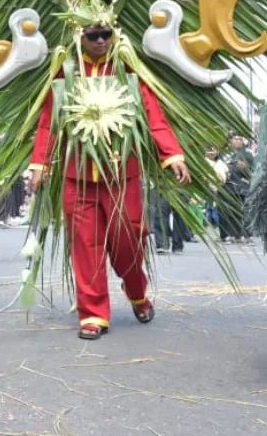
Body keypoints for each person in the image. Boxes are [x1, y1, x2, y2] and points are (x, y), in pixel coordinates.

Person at [27, 23, 190, 340]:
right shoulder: (66, 72)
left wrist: (173, 155)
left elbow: (152, 113)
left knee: (129, 241)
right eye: (93, 36)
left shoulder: (127, 70)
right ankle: (93, 314)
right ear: (80, 37)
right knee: (85, 246)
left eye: (106, 35)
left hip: (121, 177)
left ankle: (137, 291)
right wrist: (40, 163)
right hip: (78, 177)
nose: (101, 41)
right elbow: (48, 119)